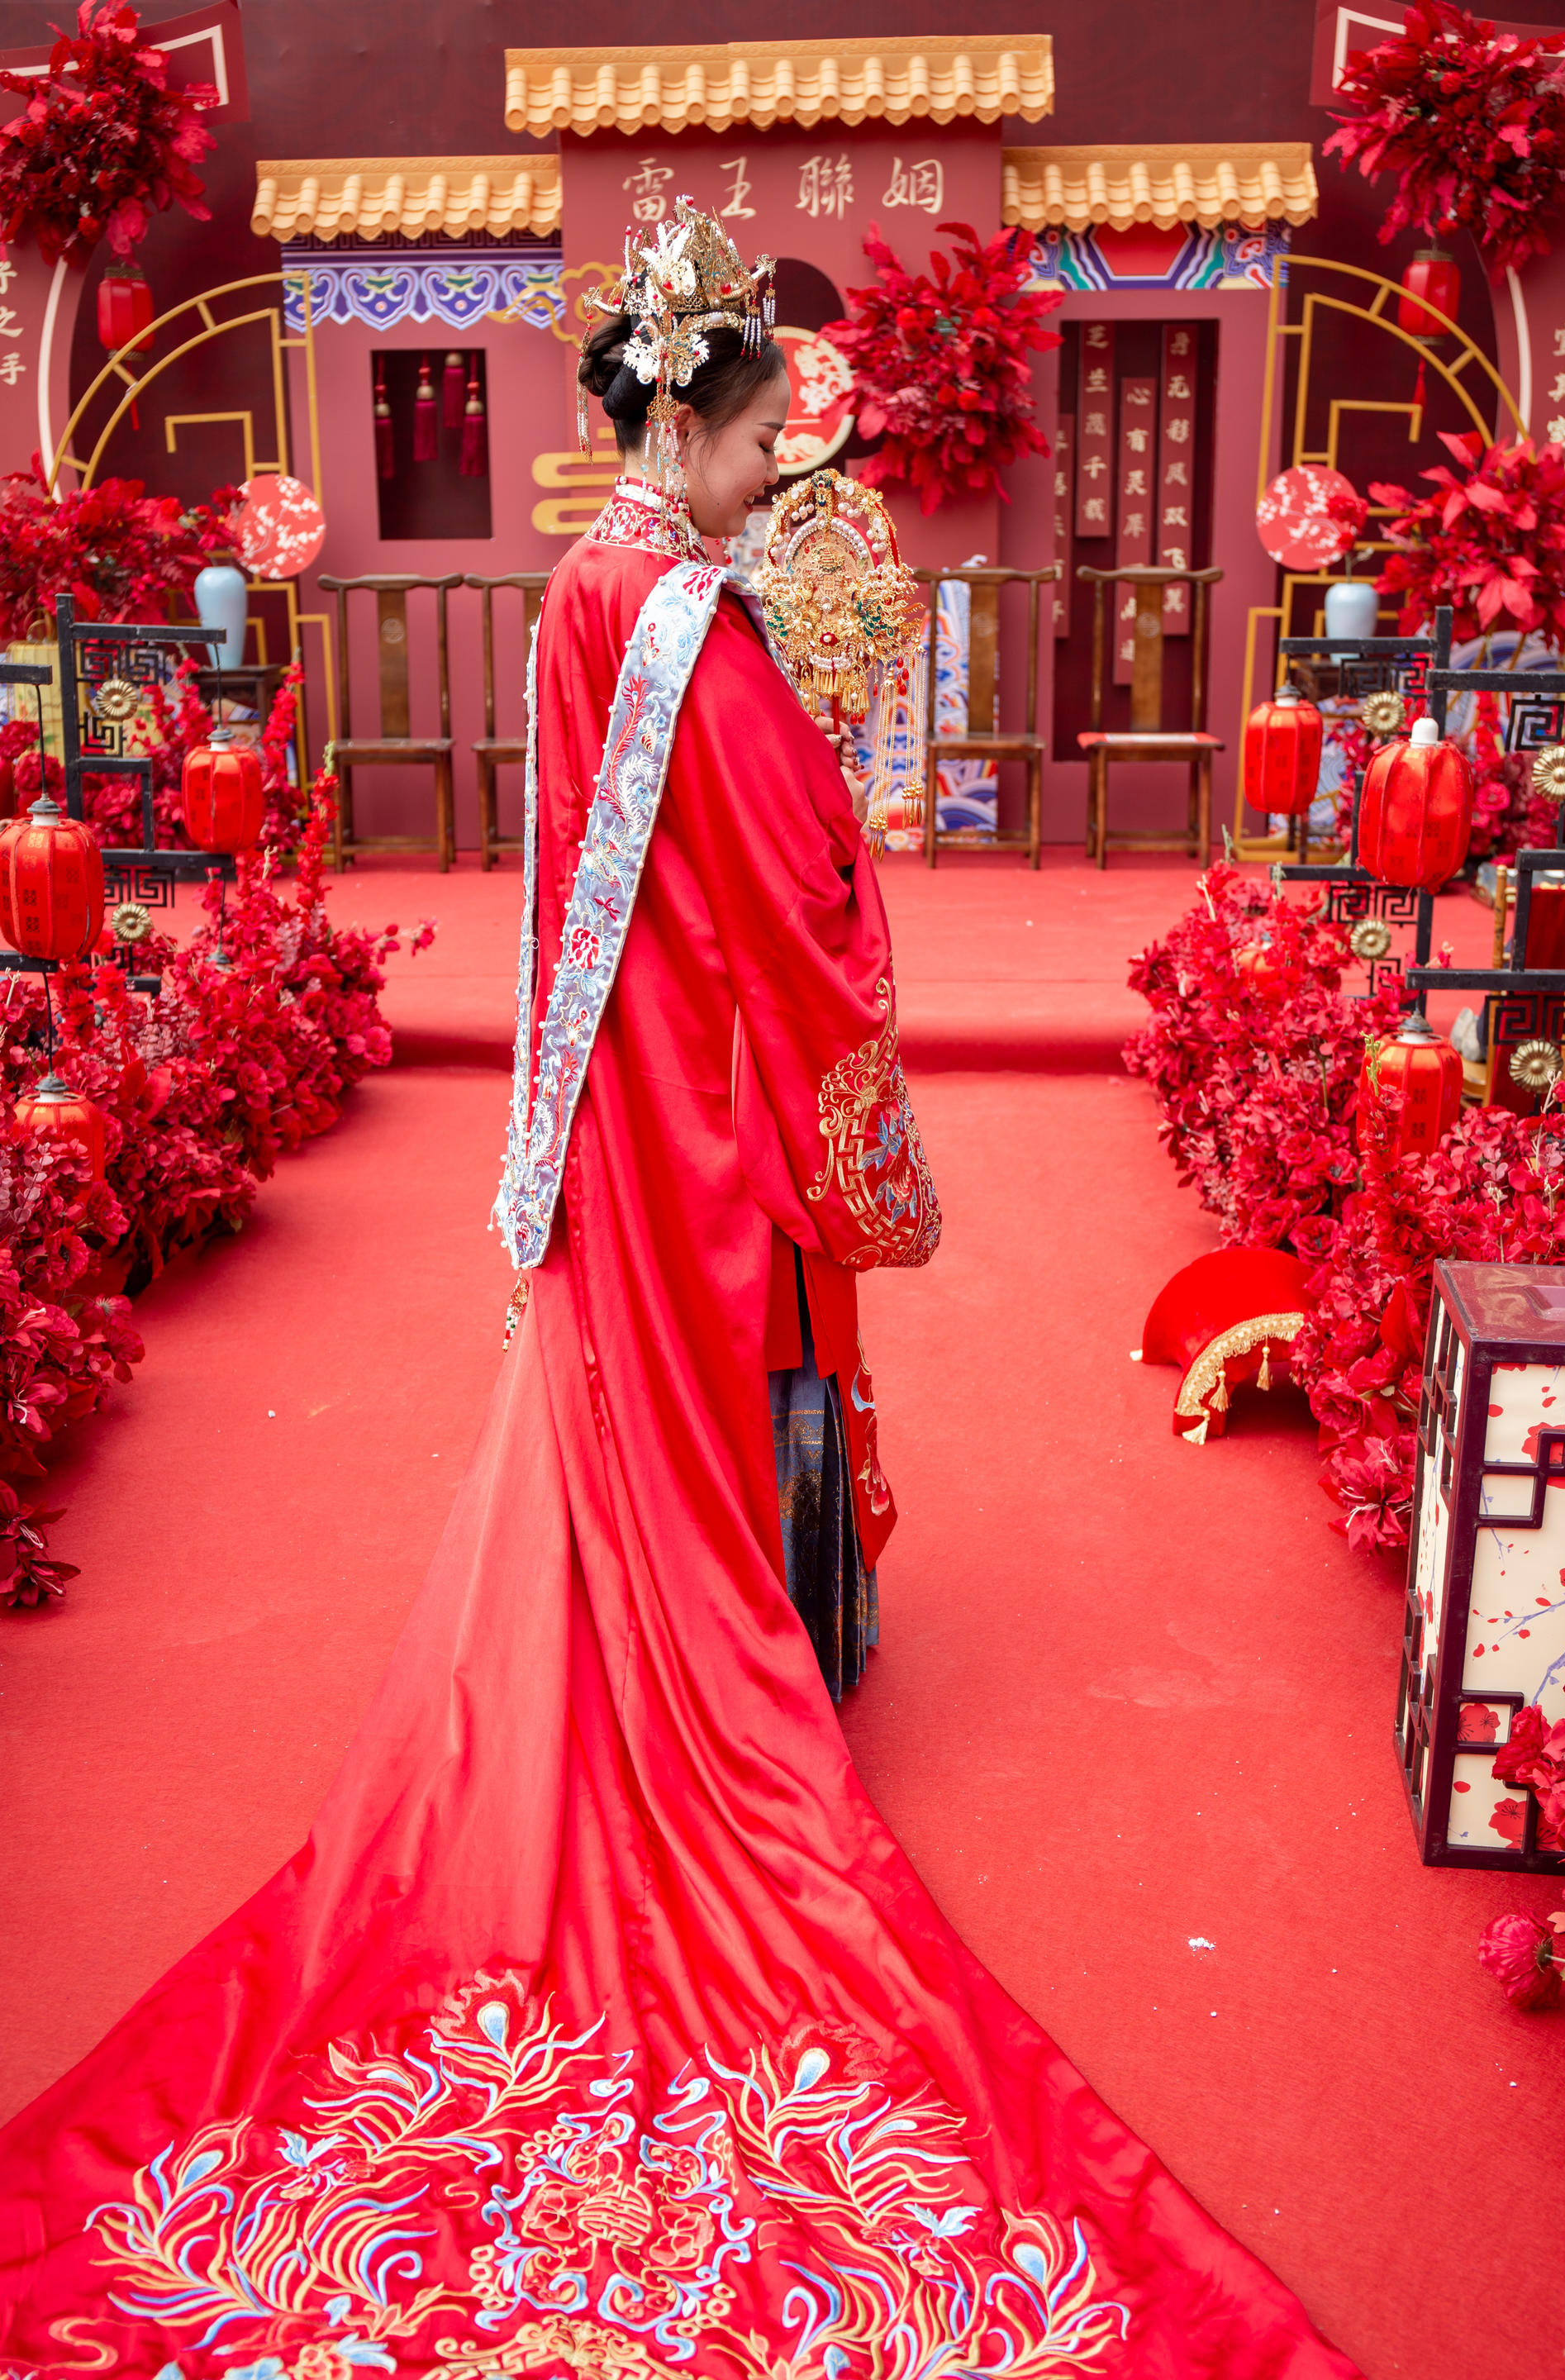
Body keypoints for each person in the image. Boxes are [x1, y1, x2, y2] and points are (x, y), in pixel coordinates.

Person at [0, 202, 1357, 2379]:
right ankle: (697, 1649)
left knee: (611, 1378)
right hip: (696, 1089)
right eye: (756, 439)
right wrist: (854, 974)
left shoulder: (584, 585)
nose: (766, 475)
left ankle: (645, 1592)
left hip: (606, 1076)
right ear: (697, 427)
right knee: (696, 1382)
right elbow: (797, 890)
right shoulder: (684, 617)